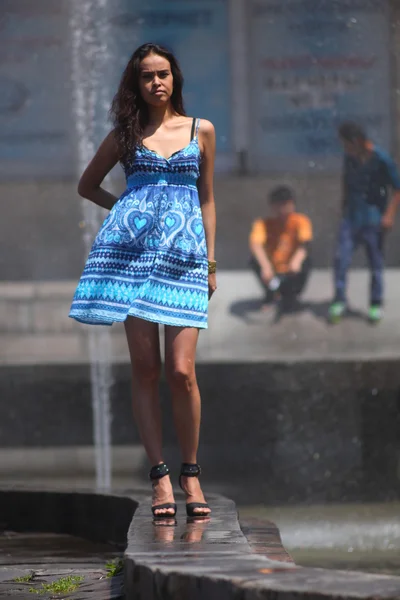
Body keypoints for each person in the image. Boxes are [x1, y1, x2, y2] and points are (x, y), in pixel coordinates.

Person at [69, 43, 216, 519]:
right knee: (146, 368)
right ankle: (160, 478)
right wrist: (128, 214)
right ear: (136, 84)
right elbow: (87, 185)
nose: (157, 82)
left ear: (176, 79)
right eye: (148, 76)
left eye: (164, 74)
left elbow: (207, 199)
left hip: (186, 260)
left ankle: (190, 471)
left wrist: (211, 264)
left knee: (181, 371)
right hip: (132, 260)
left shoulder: (201, 131)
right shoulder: (125, 135)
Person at [329, 122, 400, 324]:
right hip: (351, 218)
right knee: (340, 259)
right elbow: (346, 181)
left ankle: (375, 304)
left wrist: (389, 215)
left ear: (356, 141)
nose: (345, 149)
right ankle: (339, 300)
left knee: (375, 264)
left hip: (374, 219)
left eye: (346, 144)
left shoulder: (381, 159)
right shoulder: (349, 158)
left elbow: (398, 189)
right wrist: (342, 205)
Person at [249, 186, 312, 309]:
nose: (282, 210)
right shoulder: (263, 224)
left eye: (286, 204)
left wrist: (296, 261)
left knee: (307, 261)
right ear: (272, 206)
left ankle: (291, 296)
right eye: (279, 205)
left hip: (291, 271)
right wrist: (266, 267)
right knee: (253, 260)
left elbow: (306, 243)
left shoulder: (300, 221)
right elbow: (255, 244)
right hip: (272, 271)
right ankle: (271, 294)